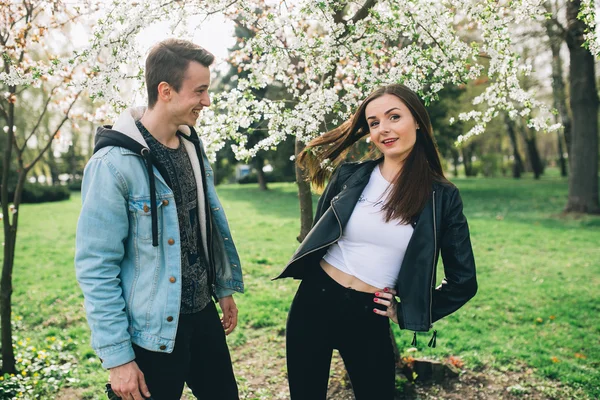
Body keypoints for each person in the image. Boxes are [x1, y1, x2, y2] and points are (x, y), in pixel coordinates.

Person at [275, 84, 478, 399]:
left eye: (394, 117)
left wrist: (406, 312)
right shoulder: (350, 176)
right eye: (374, 122)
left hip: (369, 315)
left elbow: (464, 281)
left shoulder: (442, 197)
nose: (384, 129)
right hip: (314, 300)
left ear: (418, 122)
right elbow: (321, 232)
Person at [75, 39, 244, 400]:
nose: (207, 101)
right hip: (150, 333)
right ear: (165, 91)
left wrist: (223, 287)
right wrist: (118, 358)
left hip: (202, 315)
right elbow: (96, 267)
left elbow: (203, 227)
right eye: (200, 91)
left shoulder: (192, 146)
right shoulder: (113, 165)